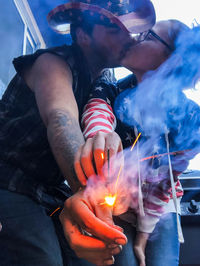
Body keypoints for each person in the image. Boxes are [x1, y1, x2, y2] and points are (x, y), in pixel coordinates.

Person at [0, 0, 156, 265]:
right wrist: (89, 190)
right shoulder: (52, 62)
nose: (129, 37)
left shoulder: (105, 83)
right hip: (10, 180)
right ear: (84, 35)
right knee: (44, 259)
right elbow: (61, 119)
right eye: (115, 29)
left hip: (52, 192)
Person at [75, 20, 200, 266]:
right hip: (115, 206)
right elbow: (96, 114)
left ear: (171, 61)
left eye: (149, 35)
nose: (135, 37)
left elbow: (164, 183)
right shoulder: (109, 89)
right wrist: (100, 137)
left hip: (159, 208)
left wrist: (142, 238)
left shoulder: (190, 119)